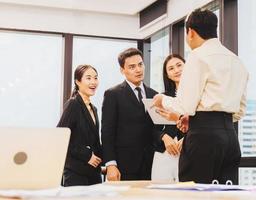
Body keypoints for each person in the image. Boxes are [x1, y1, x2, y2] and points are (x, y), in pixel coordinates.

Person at [153, 9, 249, 184]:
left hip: (203, 139)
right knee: (225, 194)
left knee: (194, 191)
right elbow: (240, 111)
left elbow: (185, 105)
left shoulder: (198, 56)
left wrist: (162, 100)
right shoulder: (237, 60)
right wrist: (205, 119)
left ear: (190, 32)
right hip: (230, 138)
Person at [101, 48, 160, 181]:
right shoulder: (113, 94)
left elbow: (155, 129)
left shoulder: (154, 95)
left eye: (140, 64)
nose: (138, 70)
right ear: (122, 70)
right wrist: (111, 164)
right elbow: (107, 132)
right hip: (124, 166)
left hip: (151, 165)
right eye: (132, 67)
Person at [57, 64, 103, 186]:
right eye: (88, 78)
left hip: (93, 173)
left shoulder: (94, 109)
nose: (93, 82)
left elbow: (94, 140)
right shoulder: (73, 104)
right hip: (75, 172)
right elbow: (60, 136)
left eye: (95, 78)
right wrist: (87, 155)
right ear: (78, 81)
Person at [151, 54, 186, 182]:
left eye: (179, 65)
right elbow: (151, 129)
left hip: (188, 150)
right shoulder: (161, 98)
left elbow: (203, 123)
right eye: (171, 68)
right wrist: (164, 137)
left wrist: (187, 138)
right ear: (167, 75)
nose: (176, 70)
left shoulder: (197, 96)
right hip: (164, 153)